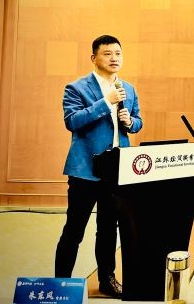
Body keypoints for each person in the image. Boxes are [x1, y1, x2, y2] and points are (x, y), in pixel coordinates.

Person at [55, 35, 143, 298]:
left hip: (116, 170)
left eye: (118, 53)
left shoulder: (129, 89)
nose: (114, 58)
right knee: (74, 229)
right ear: (94, 58)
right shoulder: (76, 88)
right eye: (108, 53)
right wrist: (106, 102)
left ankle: (107, 279)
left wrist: (130, 122)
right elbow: (72, 121)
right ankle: (60, 284)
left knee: (107, 230)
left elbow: (138, 122)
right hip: (86, 170)